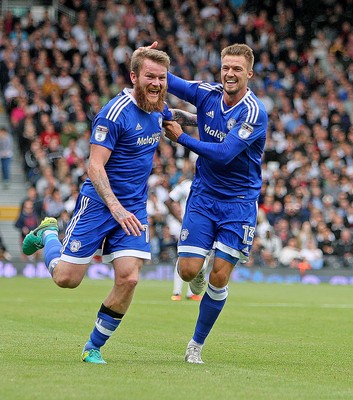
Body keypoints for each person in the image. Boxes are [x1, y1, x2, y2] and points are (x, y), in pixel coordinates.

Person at [21, 47, 172, 364]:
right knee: (67, 279)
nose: (157, 83)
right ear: (134, 77)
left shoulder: (160, 108)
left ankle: (93, 346)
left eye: (161, 77)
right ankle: (49, 233)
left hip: (133, 209)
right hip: (100, 205)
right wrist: (115, 208)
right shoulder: (114, 113)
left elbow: (183, 118)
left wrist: (221, 123)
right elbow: (95, 166)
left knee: (129, 278)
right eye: (150, 76)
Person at [162, 42, 268, 363]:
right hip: (205, 195)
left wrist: (181, 135)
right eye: (226, 68)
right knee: (187, 270)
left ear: (249, 73)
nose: (230, 74)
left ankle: (196, 344)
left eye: (237, 69)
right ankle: (196, 272)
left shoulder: (253, 112)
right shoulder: (208, 93)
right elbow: (168, 80)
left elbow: (223, 155)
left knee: (219, 277)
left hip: (238, 203)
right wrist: (144, 60)